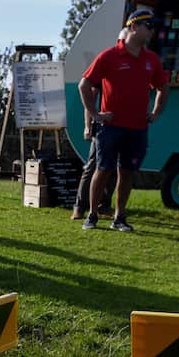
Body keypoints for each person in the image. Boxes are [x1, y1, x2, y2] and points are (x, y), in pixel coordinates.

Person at [77, 8, 169, 233]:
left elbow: (163, 86)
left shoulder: (151, 60)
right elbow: (84, 85)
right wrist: (95, 115)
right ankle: (92, 214)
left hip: (138, 128)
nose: (152, 31)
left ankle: (119, 217)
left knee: (127, 172)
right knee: (103, 169)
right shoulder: (109, 56)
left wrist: (156, 112)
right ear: (134, 26)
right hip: (110, 128)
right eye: (148, 26)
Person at [70, 29, 125, 220]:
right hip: (101, 126)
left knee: (114, 167)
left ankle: (104, 205)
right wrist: (88, 125)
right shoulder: (106, 65)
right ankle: (79, 206)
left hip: (122, 127)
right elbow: (90, 100)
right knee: (93, 166)